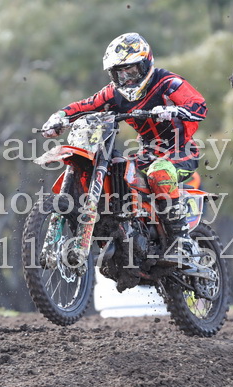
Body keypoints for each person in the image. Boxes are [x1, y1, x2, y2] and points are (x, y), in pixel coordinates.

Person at [41, 32, 207, 258]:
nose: (126, 78)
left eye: (131, 71)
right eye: (119, 73)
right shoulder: (114, 94)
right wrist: (59, 117)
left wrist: (175, 110)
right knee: (120, 172)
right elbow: (85, 105)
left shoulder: (167, 82)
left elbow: (199, 105)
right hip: (147, 154)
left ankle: (181, 239)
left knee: (159, 172)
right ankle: (131, 231)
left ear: (145, 64)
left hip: (181, 150)